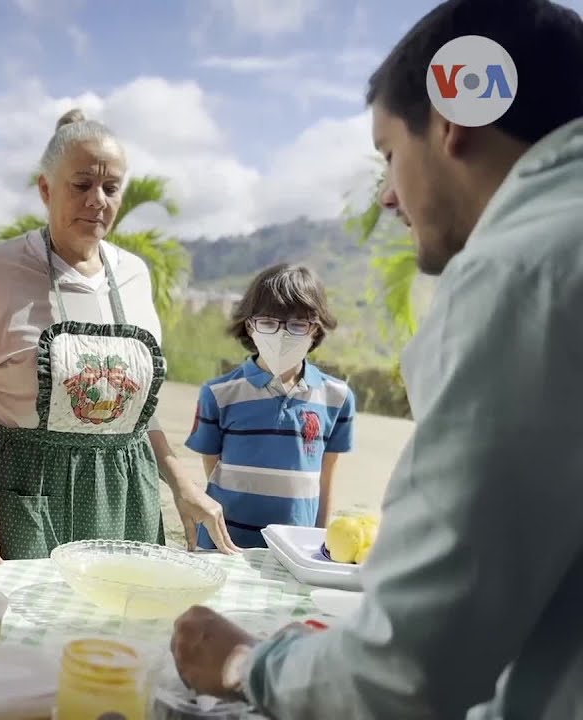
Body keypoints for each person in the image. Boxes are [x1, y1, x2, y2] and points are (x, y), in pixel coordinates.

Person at [171, 1, 583, 717]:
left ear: (453, 118)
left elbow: (407, 668)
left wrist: (243, 663)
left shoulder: (523, 275)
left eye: (389, 152)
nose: (389, 194)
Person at [0, 108, 239, 579]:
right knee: (20, 621)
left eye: (111, 187)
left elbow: (139, 412)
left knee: (117, 617)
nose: (97, 200)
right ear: (46, 189)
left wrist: (182, 484)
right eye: (81, 185)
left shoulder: (134, 276)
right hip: (19, 493)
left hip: (123, 497)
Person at [185, 263, 355, 550]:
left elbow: (326, 479)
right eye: (268, 322)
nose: (282, 334)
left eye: (297, 324)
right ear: (250, 326)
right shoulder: (218, 394)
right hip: (224, 546)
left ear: (315, 329)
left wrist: (319, 545)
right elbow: (213, 469)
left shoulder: (337, 398)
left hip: (295, 548)